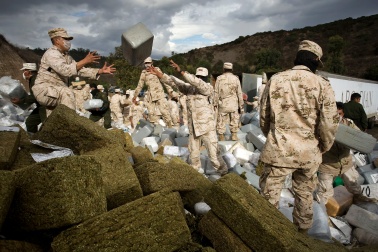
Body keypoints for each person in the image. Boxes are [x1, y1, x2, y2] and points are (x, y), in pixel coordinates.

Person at [259, 40, 339, 233]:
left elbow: (263, 116)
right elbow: (329, 123)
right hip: (308, 152)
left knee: (269, 199)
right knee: (304, 196)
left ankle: (265, 236)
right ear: (315, 61)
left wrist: (273, 137)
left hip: (278, 149)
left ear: (297, 57)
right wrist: (323, 147)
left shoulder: (276, 79)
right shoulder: (322, 84)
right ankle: (302, 236)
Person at [148, 60, 226, 175]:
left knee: (214, 156)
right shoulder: (189, 89)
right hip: (194, 128)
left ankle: (224, 173)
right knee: (193, 156)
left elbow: (197, 83)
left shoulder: (207, 88)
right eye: (198, 76)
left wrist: (182, 72)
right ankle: (195, 177)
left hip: (207, 128)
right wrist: (160, 75)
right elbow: (175, 83)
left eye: (201, 77)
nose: (199, 78)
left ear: (205, 78)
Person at [32, 28, 116, 117]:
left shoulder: (66, 57)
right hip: (45, 90)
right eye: (65, 39)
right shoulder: (52, 54)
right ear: (57, 40)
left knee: (54, 119)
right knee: (67, 93)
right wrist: (85, 60)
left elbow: (79, 70)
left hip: (55, 92)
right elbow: (65, 70)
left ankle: (56, 129)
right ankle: (71, 124)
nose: (68, 42)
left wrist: (99, 71)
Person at [316, 102, 377, 204]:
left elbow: (360, 137)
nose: (337, 117)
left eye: (339, 114)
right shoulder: (321, 125)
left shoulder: (349, 124)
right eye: (334, 114)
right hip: (327, 164)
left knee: (354, 184)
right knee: (324, 192)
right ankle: (321, 212)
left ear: (343, 114)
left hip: (345, 161)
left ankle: (358, 199)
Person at [133, 57, 173, 127]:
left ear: (152, 63)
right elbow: (140, 85)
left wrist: (170, 90)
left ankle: (170, 127)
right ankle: (154, 129)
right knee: (151, 114)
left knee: (164, 112)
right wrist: (135, 96)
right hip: (150, 96)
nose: (147, 65)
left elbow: (164, 80)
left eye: (149, 63)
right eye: (146, 63)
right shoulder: (144, 73)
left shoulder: (156, 69)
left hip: (159, 94)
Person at [213, 62, 244, 141]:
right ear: (232, 69)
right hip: (233, 103)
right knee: (234, 119)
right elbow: (239, 93)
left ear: (223, 69)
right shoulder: (236, 78)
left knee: (221, 120)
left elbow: (216, 92)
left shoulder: (219, 78)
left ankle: (221, 136)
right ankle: (234, 135)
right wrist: (241, 105)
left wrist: (215, 103)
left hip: (223, 103)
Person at [18, 63, 47, 133]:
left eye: (24, 70)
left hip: (45, 107)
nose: (23, 73)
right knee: (30, 122)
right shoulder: (32, 79)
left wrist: (21, 101)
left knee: (46, 127)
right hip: (40, 106)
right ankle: (34, 140)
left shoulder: (35, 80)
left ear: (29, 72)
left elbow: (36, 96)